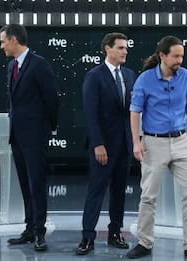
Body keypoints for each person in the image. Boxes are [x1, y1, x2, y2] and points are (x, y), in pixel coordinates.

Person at [127, 36, 187, 259]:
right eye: (176, 56)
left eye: (182, 56)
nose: (180, 60)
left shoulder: (185, 76)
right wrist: (137, 141)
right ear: (162, 56)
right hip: (154, 143)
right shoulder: (145, 79)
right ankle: (144, 243)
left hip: (181, 141)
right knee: (148, 196)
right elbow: (135, 112)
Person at [0, 24, 59, 252]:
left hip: (35, 136)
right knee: (25, 185)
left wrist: (48, 128)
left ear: (14, 40)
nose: (2, 45)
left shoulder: (39, 64)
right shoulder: (11, 66)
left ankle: (40, 232)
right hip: (18, 135)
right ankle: (29, 228)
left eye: (3, 40)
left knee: (36, 184)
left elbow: (52, 100)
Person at [76, 32, 136, 255]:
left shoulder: (130, 75)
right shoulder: (94, 76)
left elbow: (133, 110)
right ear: (107, 49)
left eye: (126, 47)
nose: (125, 51)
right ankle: (87, 237)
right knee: (96, 191)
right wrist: (97, 144)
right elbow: (90, 114)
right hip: (103, 146)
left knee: (119, 191)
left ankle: (115, 233)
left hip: (125, 145)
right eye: (120, 47)